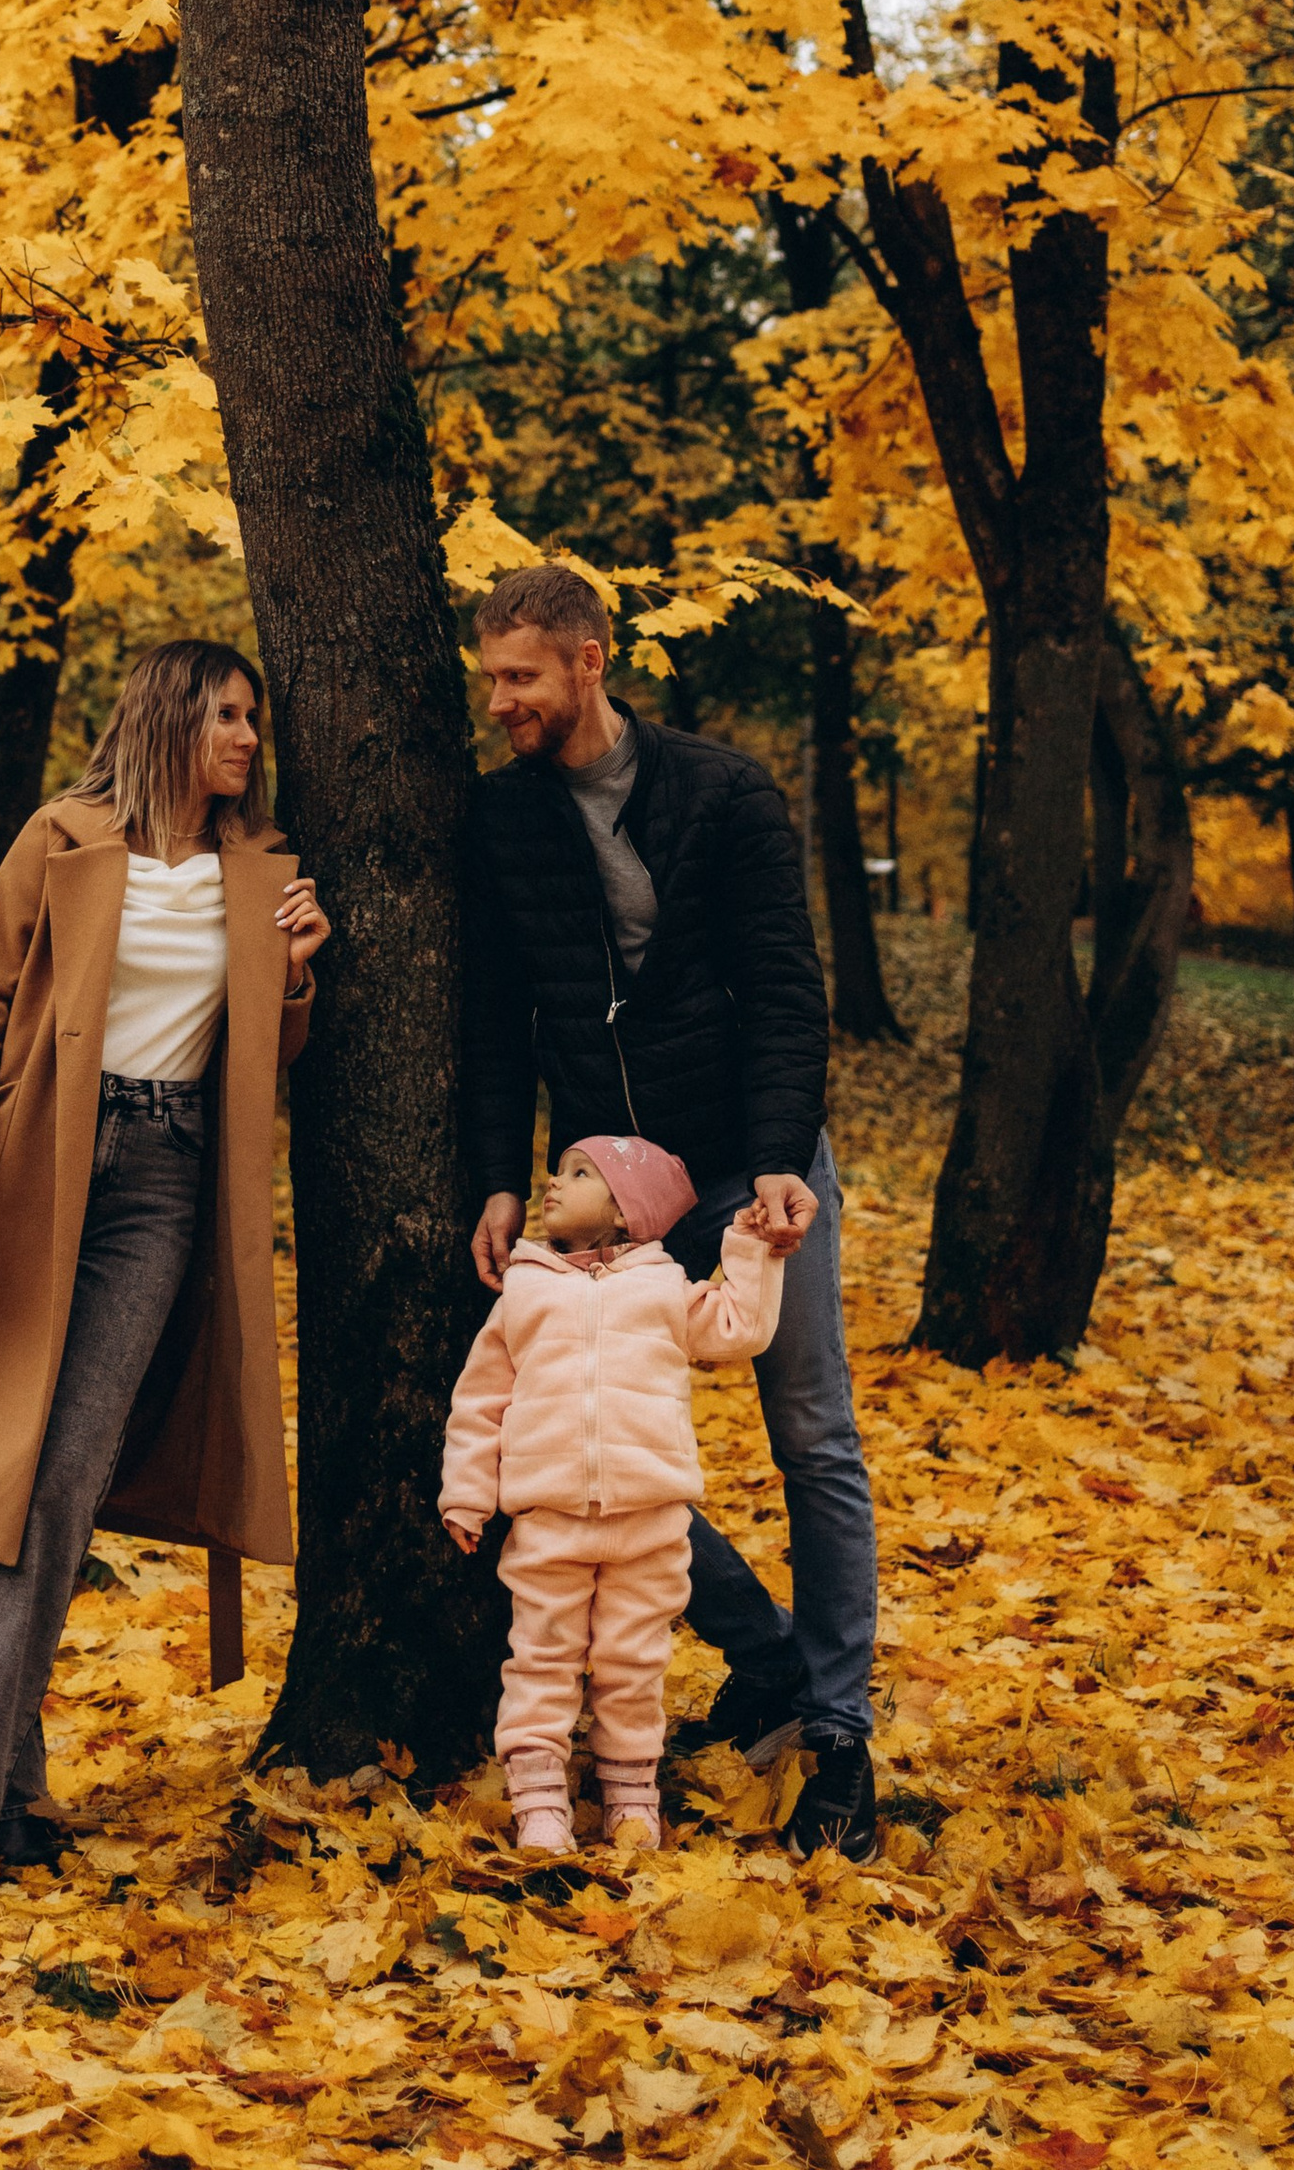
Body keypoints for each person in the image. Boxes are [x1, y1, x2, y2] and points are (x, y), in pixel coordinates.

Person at [0, 638, 329, 1895]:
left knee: (58, 1477)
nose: (246, 738)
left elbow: (268, 1058)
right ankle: (0, 1798)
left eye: (252, 719)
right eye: (225, 714)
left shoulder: (261, 871)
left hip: (164, 1178)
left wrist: (292, 977)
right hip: (34, 1163)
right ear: (168, 717)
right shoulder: (61, 838)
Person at [459, 561, 879, 1857]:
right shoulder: (504, 819)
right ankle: (767, 1661)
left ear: (589, 662)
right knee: (585, 1441)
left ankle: (840, 1740)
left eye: (519, 677)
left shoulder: (723, 793)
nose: (500, 703)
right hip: (621, 1189)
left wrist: (773, 1162)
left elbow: (784, 986)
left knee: (811, 1434)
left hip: (756, 1165)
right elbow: (497, 1023)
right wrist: (496, 1172)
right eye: (489, 680)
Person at [441, 1132, 780, 1854]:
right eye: (556, 1171)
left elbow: (741, 1327)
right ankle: (538, 1801)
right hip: (547, 1519)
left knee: (634, 1662)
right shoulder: (525, 1290)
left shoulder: (665, 1288)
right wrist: (466, 1495)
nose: (552, 1185)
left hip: (651, 1523)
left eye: (577, 1173)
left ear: (627, 1213)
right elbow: (480, 1403)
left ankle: (631, 1795)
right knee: (541, 1657)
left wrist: (751, 1250)